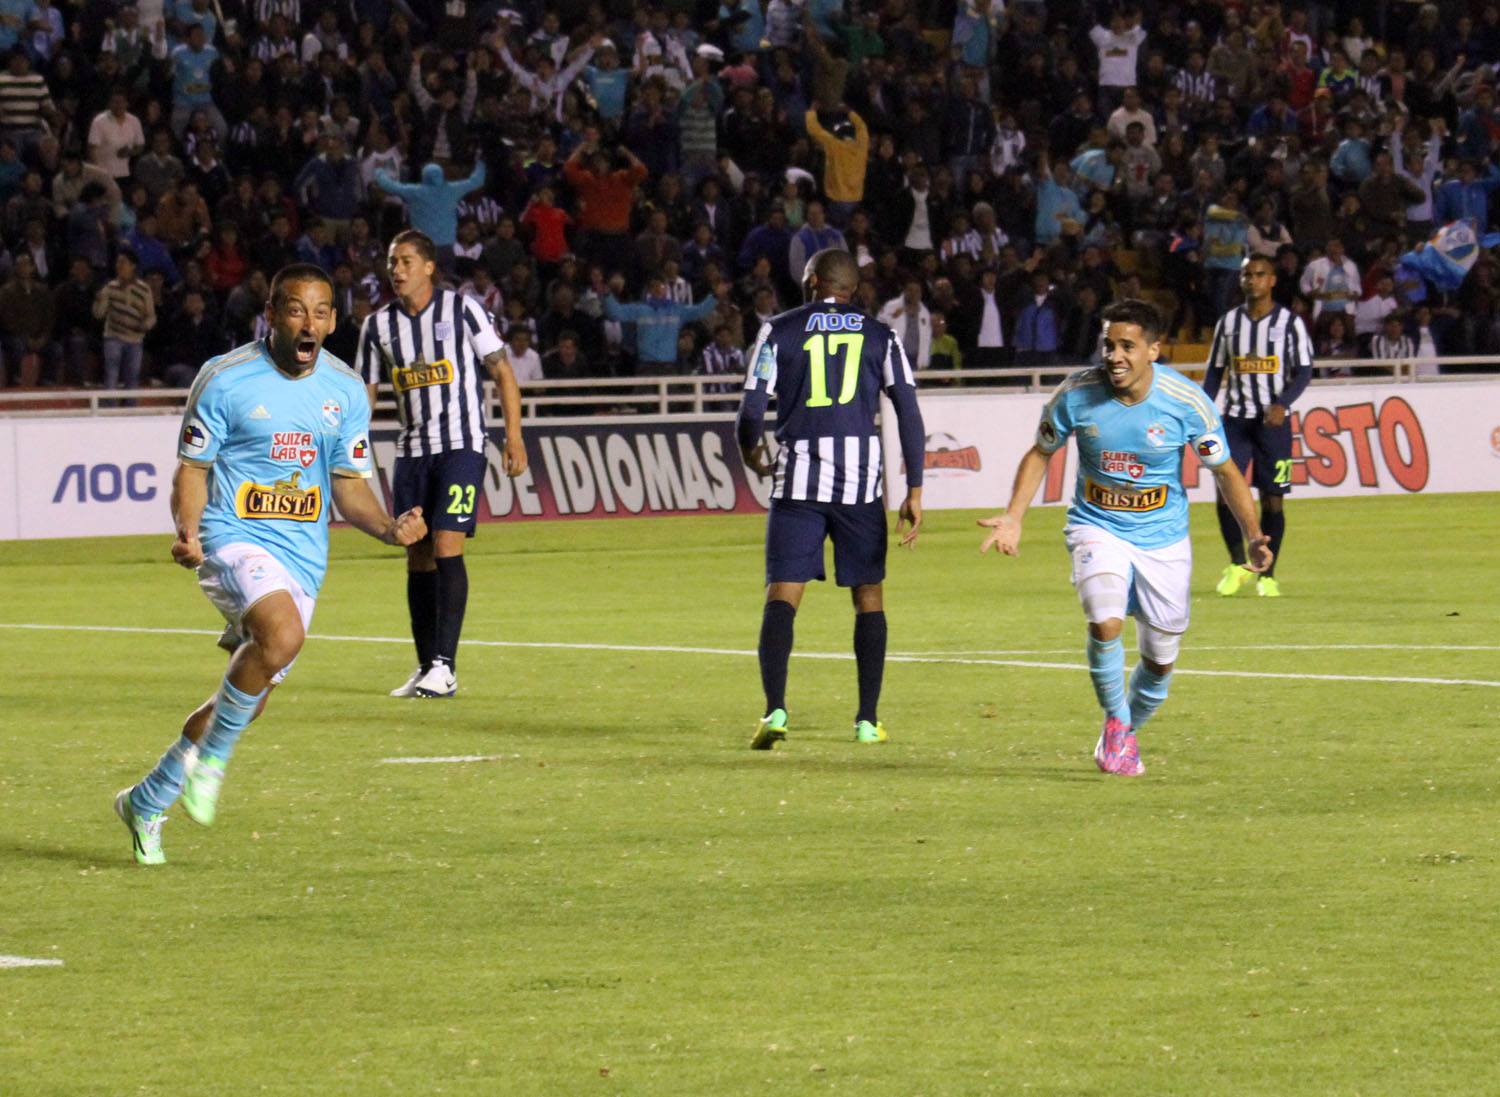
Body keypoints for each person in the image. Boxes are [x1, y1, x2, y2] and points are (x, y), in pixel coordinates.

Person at [115, 264, 428, 865]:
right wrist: (188, 531)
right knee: (283, 634)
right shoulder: (226, 379)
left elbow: (348, 485)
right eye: (294, 310)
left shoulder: (343, 389)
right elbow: (193, 470)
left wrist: (389, 528)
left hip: (302, 555)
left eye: (320, 312)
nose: (308, 323)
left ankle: (148, 799)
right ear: (271, 313)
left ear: (334, 320)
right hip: (229, 534)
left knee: (249, 693)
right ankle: (213, 763)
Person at [978, 298, 1271, 776]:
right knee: (1105, 622)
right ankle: (1116, 723)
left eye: (1127, 346)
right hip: (1097, 525)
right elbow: (1040, 453)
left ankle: (1126, 730)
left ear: (1154, 350)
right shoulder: (1077, 393)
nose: (1114, 355)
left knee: (1159, 661)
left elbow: (1226, 471)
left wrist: (1253, 535)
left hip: (1163, 539)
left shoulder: (1186, 402)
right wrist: (1014, 515)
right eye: (1108, 344)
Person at [736, 247, 924, 749]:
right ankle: (866, 720)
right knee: (868, 597)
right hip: (861, 486)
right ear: (852, 288)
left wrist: (751, 451)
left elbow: (752, 409)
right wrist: (916, 489)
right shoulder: (881, 335)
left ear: (814, 280)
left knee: (783, 593)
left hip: (798, 480)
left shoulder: (778, 329)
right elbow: (907, 410)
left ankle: (775, 711)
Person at [356, 230, 527, 699]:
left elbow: (502, 371)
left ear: (429, 267)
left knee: (448, 543)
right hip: (411, 452)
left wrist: (513, 436)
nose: (397, 269)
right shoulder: (378, 327)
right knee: (417, 553)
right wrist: (347, 445)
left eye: (406, 260)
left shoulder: (463, 310)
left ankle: (446, 667)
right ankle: (425, 663)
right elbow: (364, 396)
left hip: (462, 446)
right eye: (392, 261)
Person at [1202, 255, 1313, 599]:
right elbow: (1215, 374)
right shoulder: (1229, 323)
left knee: (1273, 501)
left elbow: (1305, 370)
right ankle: (1237, 564)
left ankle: (1268, 575)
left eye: (1259, 275)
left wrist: (1283, 403)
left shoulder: (1290, 323)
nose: (1252, 281)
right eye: (1247, 275)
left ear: (1273, 280)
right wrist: (1202, 412)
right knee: (1224, 494)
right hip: (1234, 421)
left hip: (1272, 425)